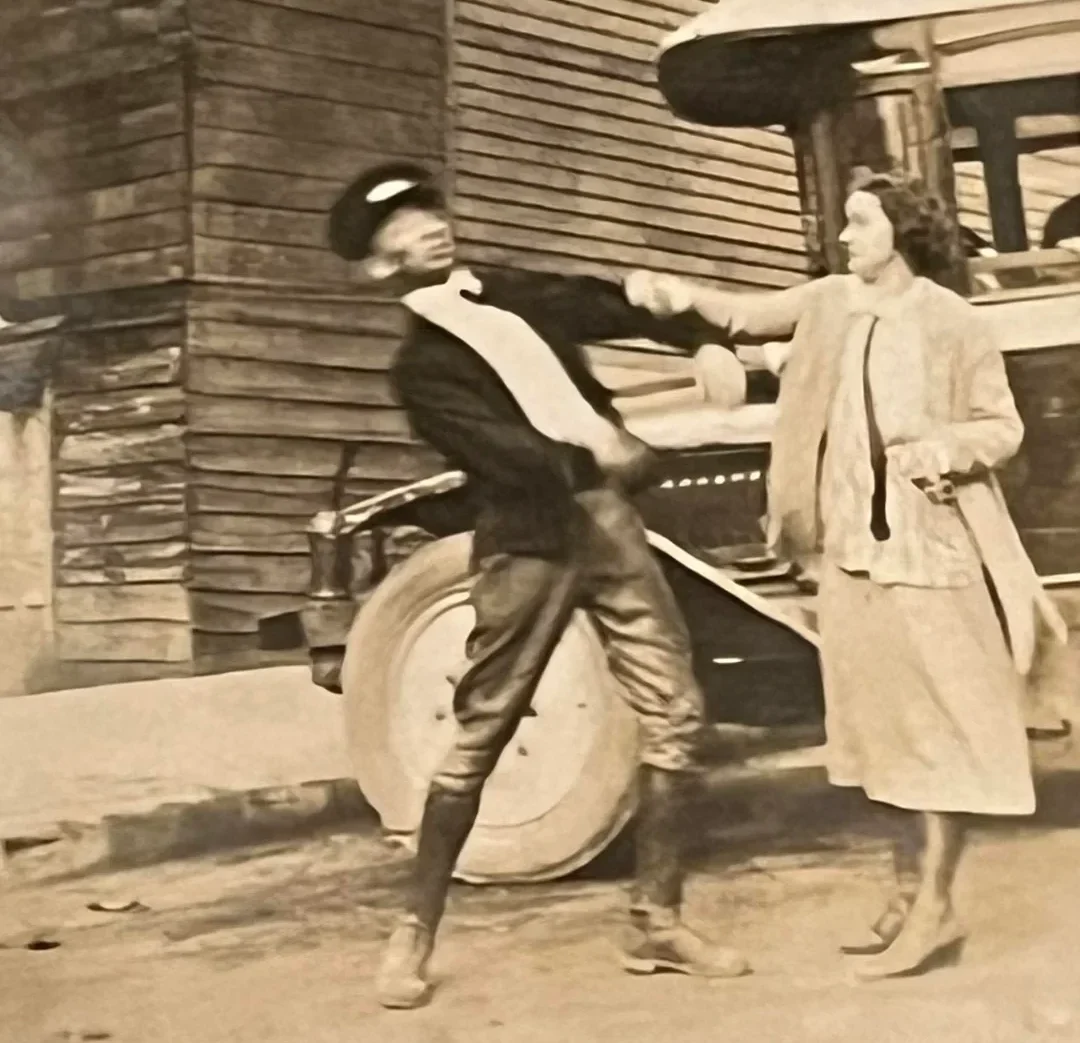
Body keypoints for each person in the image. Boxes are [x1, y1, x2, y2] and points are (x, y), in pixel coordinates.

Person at [625, 169, 1069, 981]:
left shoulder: (953, 322)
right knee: (883, 735)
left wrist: (947, 449)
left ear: (899, 231)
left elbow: (999, 426)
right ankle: (909, 896)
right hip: (852, 556)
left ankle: (934, 909)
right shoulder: (831, 302)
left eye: (859, 222)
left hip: (931, 552)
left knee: (942, 733)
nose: (843, 236)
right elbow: (743, 314)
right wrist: (672, 291)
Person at [326, 161, 750, 1010]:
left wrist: (672, 313)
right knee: (482, 730)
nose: (431, 225)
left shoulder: (506, 289)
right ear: (379, 266)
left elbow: (591, 299)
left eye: (431, 208)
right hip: (530, 539)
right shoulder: (420, 372)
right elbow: (507, 458)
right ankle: (412, 934)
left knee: (677, 714)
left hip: (610, 524)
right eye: (404, 227)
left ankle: (656, 919)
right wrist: (604, 453)